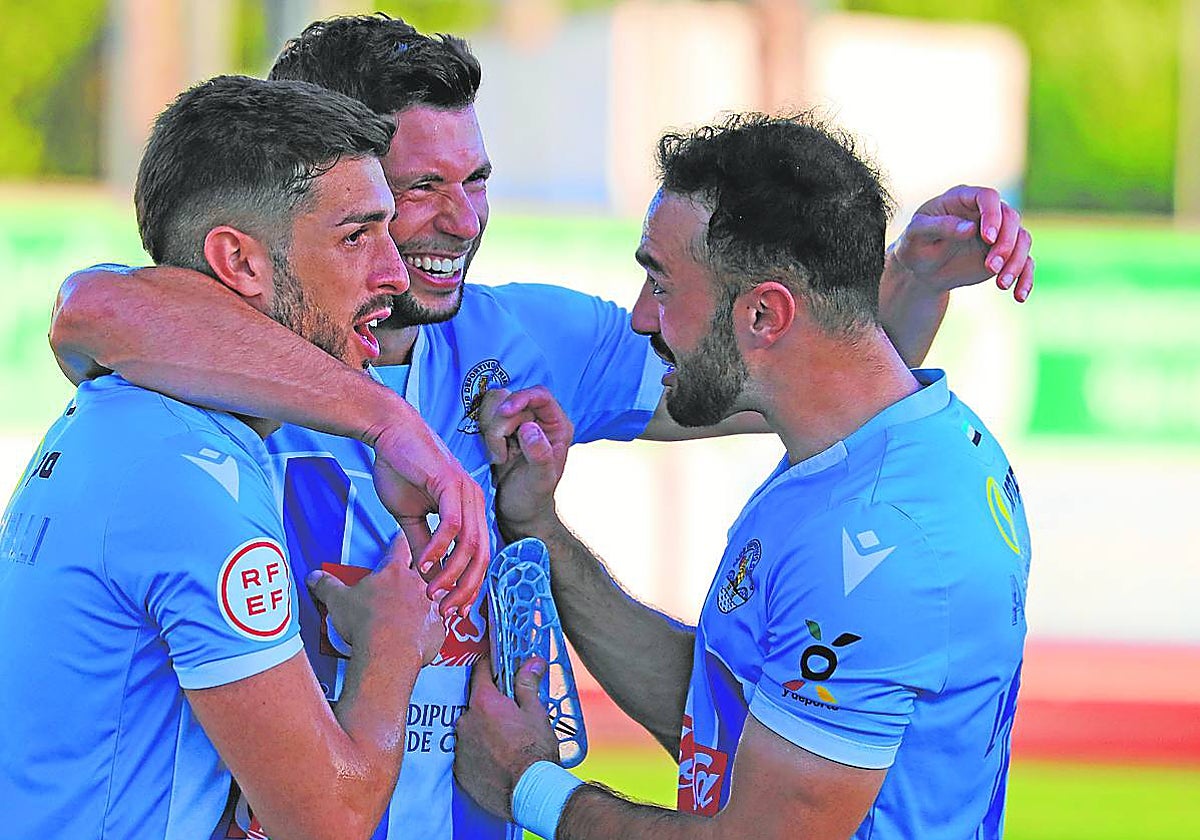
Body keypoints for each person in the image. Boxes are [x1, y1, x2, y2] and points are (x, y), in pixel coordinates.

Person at [46, 15, 1034, 839]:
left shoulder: (522, 339)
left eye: (475, 181)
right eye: (416, 189)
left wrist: (901, 286)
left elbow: (801, 372)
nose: (459, 220)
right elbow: (90, 309)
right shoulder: (199, 359)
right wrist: (388, 421)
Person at [452, 112, 1032, 840]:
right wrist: (541, 531)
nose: (640, 319)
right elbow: (719, 712)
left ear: (764, 313)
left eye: (660, 284)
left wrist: (526, 786)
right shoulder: (873, 455)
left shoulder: (879, 538)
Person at [0, 75, 461, 839]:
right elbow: (329, 820)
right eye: (355, 236)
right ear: (238, 263)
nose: (396, 273)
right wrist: (392, 641)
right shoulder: (193, 474)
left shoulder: (132, 413)